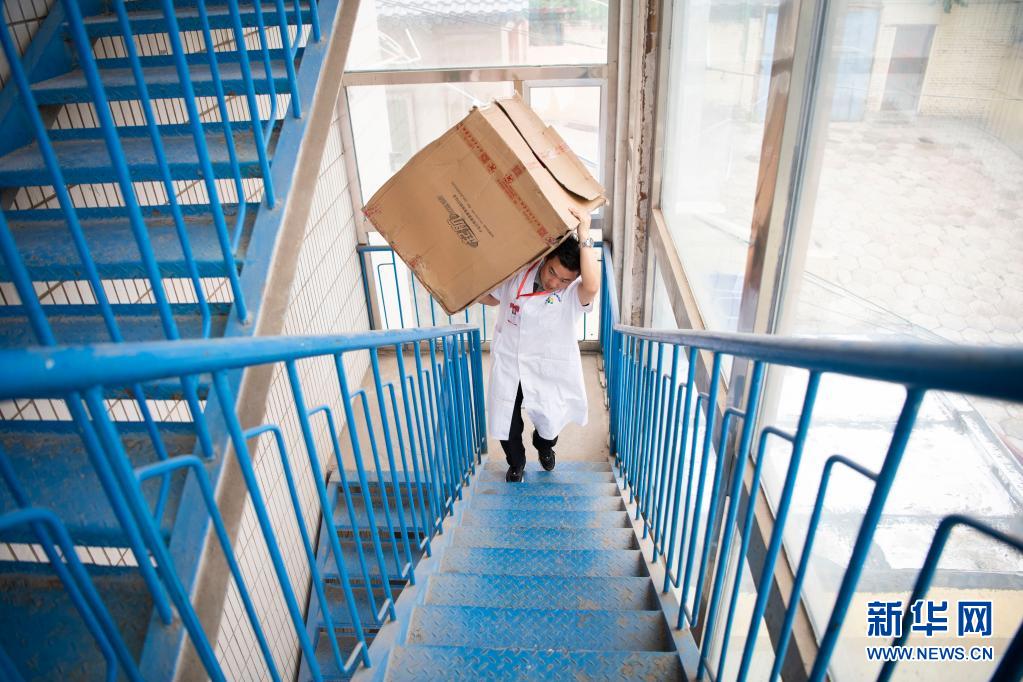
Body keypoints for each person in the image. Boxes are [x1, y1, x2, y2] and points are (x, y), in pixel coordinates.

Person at [477, 207, 599, 482]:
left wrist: (584, 233)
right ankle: (516, 463)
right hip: (510, 361)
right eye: (552, 271)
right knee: (507, 422)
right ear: (546, 258)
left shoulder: (572, 293)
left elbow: (591, 287)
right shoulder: (520, 271)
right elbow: (494, 298)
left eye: (564, 279)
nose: (554, 282)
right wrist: (466, 292)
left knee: (549, 420)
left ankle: (544, 447)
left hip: (547, 366)